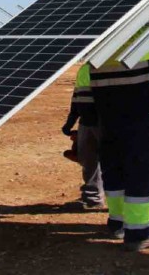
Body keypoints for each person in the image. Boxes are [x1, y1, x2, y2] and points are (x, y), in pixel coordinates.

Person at [90, 46, 149, 252]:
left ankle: (118, 222)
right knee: (141, 168)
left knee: (114, 167)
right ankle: (139, 232)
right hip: (136, 109)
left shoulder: (95, 35)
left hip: (107, 112)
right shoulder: (135, 28)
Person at [61, 65, 104, 210]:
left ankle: (120, 199)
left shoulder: (108, 67)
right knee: (89, 161)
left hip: (105, 123)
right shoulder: (84, 70)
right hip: (86, 124)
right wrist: (70, 122)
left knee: (113, 161)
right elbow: (77, 98)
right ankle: (92, 199)